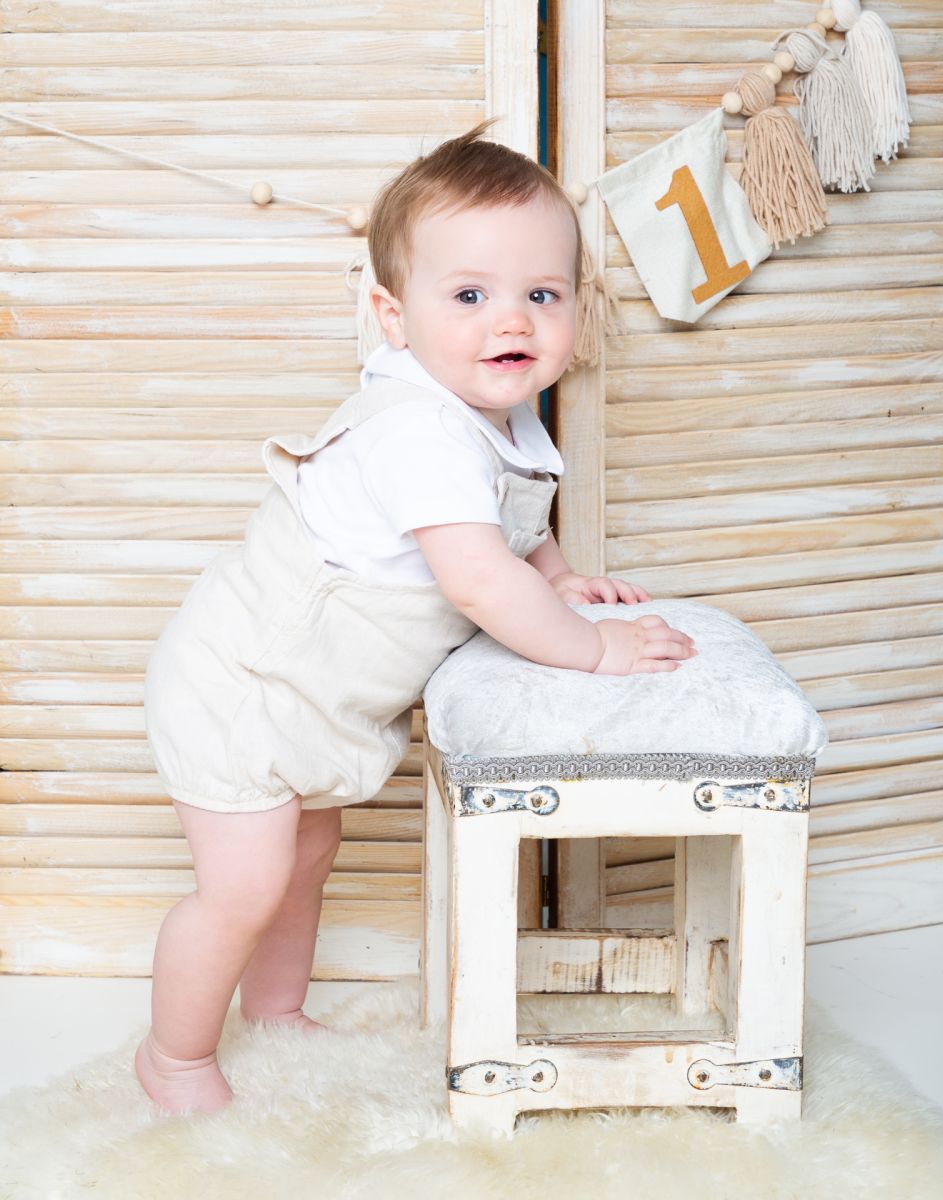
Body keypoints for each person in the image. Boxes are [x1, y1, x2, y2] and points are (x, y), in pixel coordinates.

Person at [135, 119, 696, 1117]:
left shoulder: (497, 417)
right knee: (244, 885)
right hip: (245, 686)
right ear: (393, 316)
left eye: (542, 294)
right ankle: (173, 1058)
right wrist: (594, 649)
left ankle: (275, 1011)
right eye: (470, 295)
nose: (509, 320)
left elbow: (516, 529)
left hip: (316, 694)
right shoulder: (420, 431)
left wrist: (561, 577)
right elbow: (477, 580)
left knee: (306, 858)